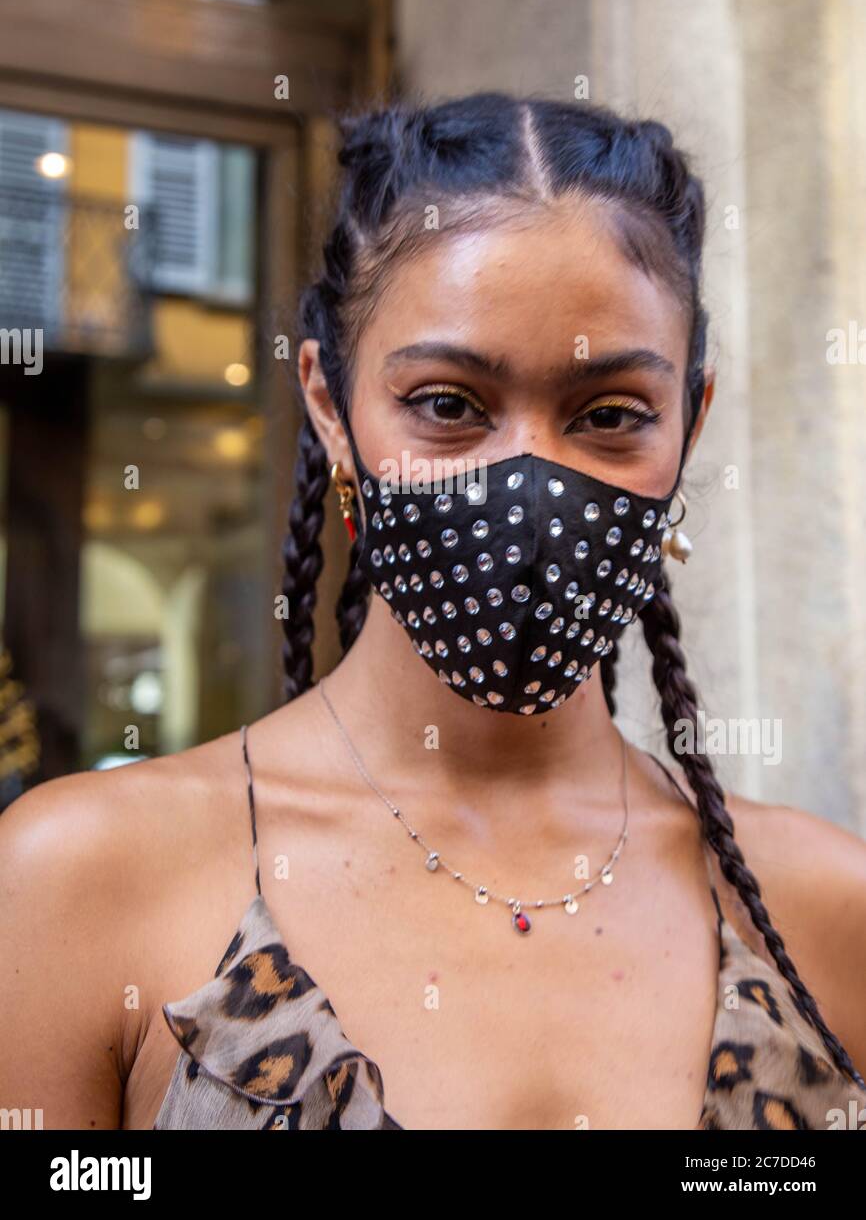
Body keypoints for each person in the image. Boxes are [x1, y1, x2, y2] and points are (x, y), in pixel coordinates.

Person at [2, 91, 865, 1131]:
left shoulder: (823, 907)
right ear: (328, 403)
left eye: (609, 415)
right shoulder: (80, 883)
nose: (532, 482)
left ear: (691, 418)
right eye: (448, 405)